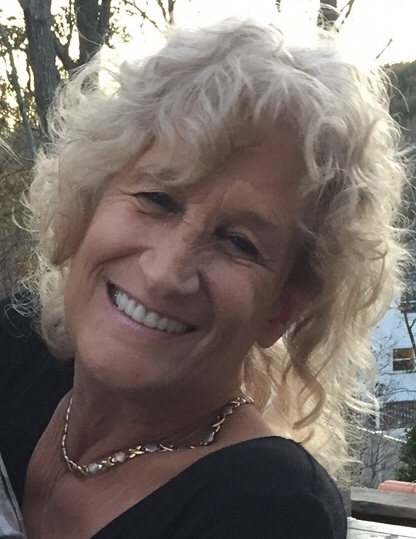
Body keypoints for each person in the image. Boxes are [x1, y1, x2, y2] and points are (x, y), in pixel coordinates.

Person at [0, 17, 407, 539]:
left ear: (283, 307)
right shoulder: (16, 346)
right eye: (157, 199)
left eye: (239, 242)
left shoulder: (269, 509)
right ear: (87, 204)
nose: (166, 273)